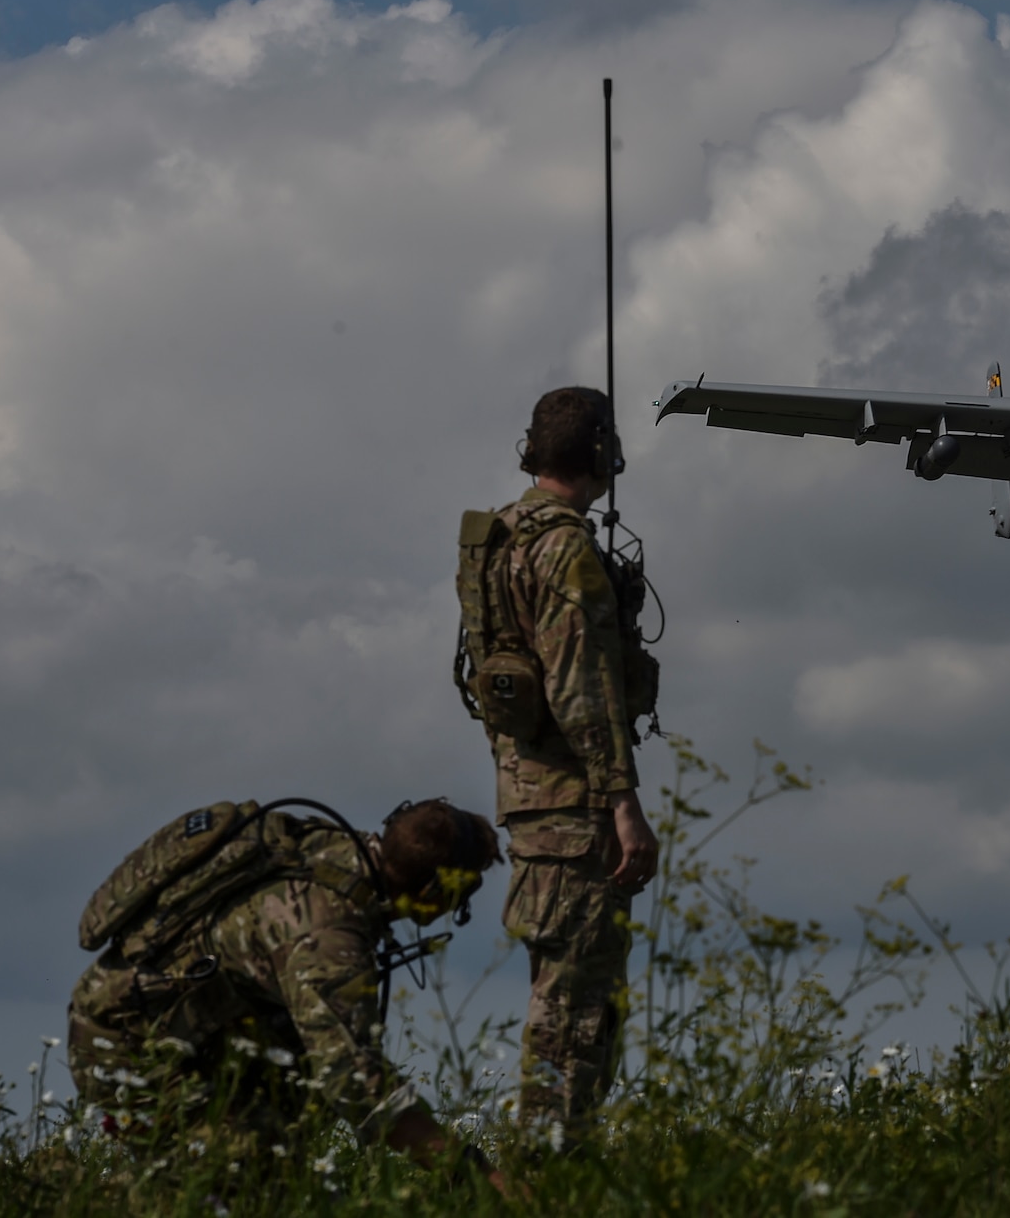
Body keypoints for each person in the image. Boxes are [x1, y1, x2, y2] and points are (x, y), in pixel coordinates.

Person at [67, 797, 507, 1186]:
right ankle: (91, 1190)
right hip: (123, 1045)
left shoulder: (337, 853)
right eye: (463, 890)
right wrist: (477, 1173)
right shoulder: (327, 936)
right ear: (431, 890)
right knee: (247, 1174)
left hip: (188, 1020)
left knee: (291, 1111)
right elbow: (358, 1085)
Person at [455, 385, 660, 1131]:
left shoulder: (500, 537)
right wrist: (623, 802)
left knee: (562, 999)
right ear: (603, 454)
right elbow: (581, 686)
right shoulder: (565, 546)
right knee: (577, 1018)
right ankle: (548, 1173)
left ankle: (551, 1164)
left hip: (528, 799)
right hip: (576, 809)